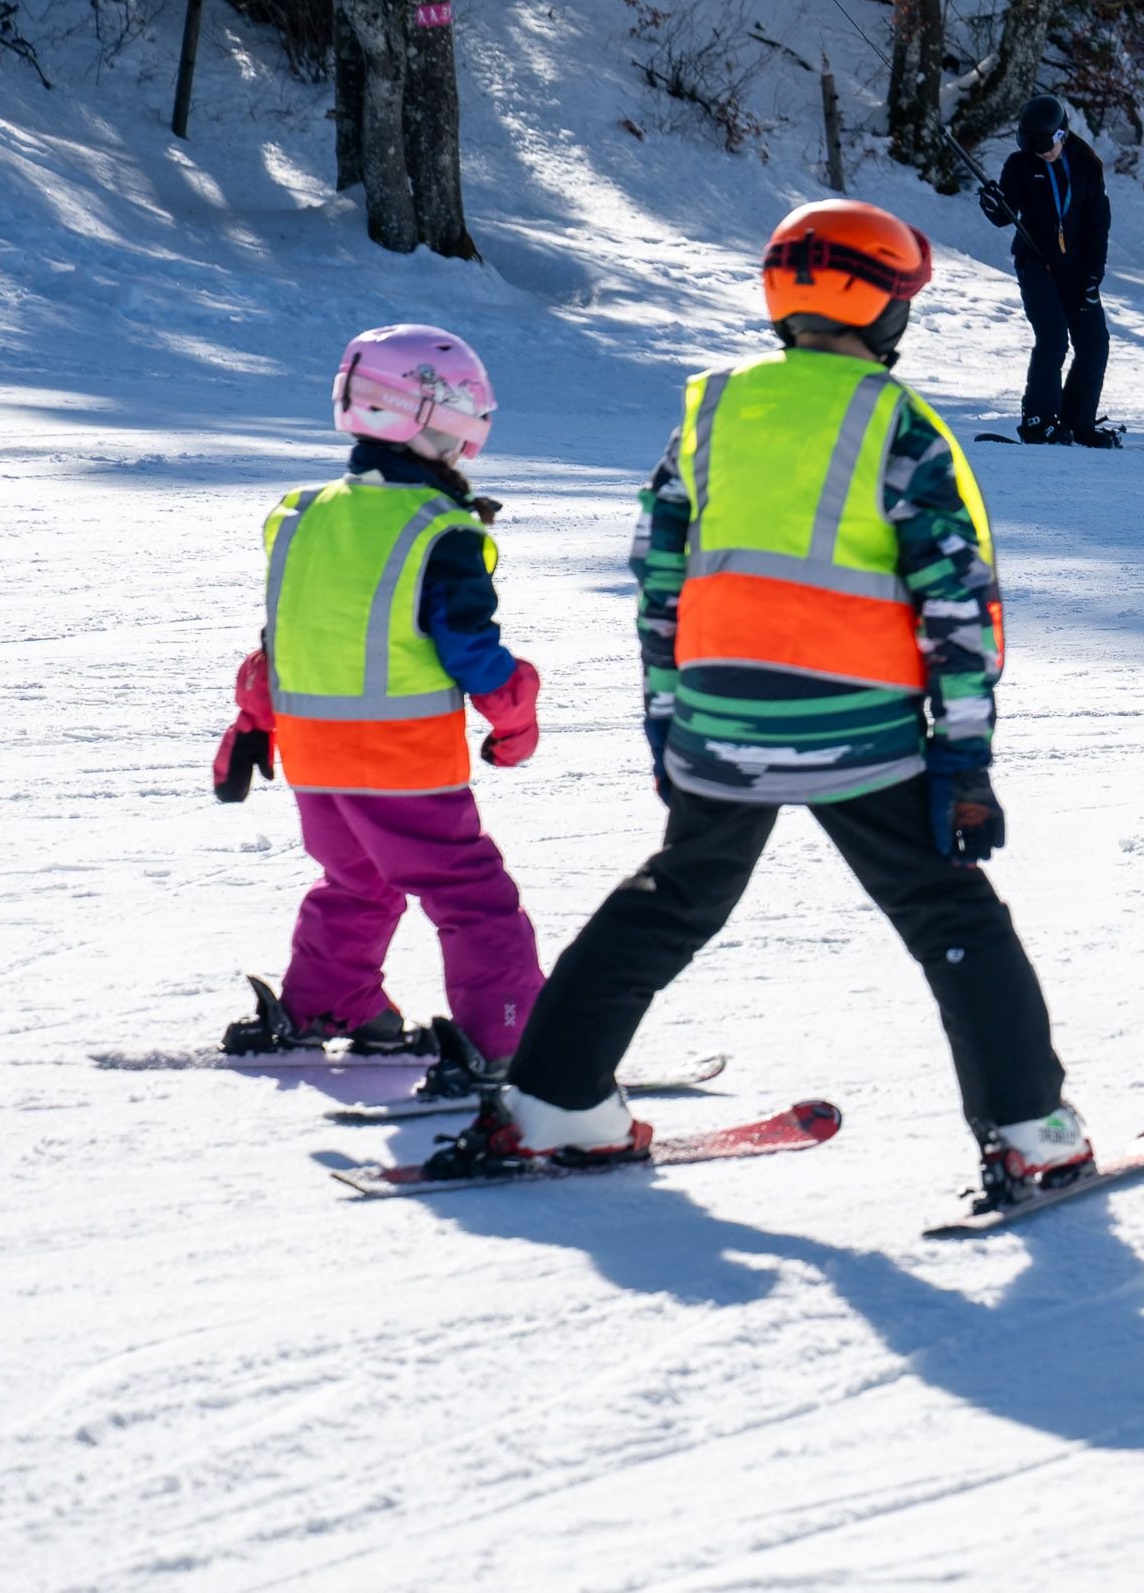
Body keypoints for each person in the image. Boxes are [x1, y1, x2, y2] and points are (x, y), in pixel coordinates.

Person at [429, 199, 1092, 1203]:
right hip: (860, 729)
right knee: (948, 911)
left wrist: (670, 722)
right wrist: (965, 763)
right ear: (880, 310)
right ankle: (1030, 1132)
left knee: (673, 897)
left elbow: (659, 576)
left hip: (720, 720)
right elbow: (956, 604)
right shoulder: (897, 423)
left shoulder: (711, 409)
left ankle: (552, 1101)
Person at [210, 324, 547, 1080]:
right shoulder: (438, 528)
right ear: (436, 417)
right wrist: (515, 713)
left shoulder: (304, 515)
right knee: (471, 895)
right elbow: (469, 648)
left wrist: (252, 722)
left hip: (315, 760)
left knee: (357, 882)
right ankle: (511, 1042)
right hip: (402, 760)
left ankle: (331, 1001)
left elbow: (285, 640)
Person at [985, 93, 1115, 447]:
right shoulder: (1020, 165)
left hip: (1077, 270)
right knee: (1053, 338)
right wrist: (993, 203)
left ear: (1061, 136)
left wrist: (1092, 278)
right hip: (1037, 264)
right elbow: (1003, 215)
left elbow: (1097, 226)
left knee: (1094, 343)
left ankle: (1078, 421)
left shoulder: (1086, 166)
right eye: (1036, 149)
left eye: (1048, 147)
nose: (1043, 155)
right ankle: (1038, 419)